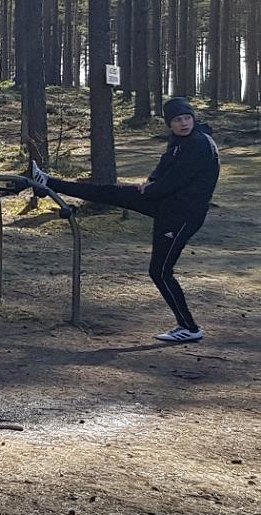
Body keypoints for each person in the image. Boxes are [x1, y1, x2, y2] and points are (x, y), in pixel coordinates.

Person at [27, 97, 221, 343]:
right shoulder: (181, 142)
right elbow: (164, 168)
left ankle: (189, 328)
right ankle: (48, 182)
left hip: (182, 216)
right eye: (177, 120)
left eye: (186, 118)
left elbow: (175, 181)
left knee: (160, 272)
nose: (183, 123)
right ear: (169, 124)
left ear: (193, 118)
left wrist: (149, 190)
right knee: (110, 192)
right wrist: (151, 181)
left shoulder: (199, 144)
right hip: (168, 206)